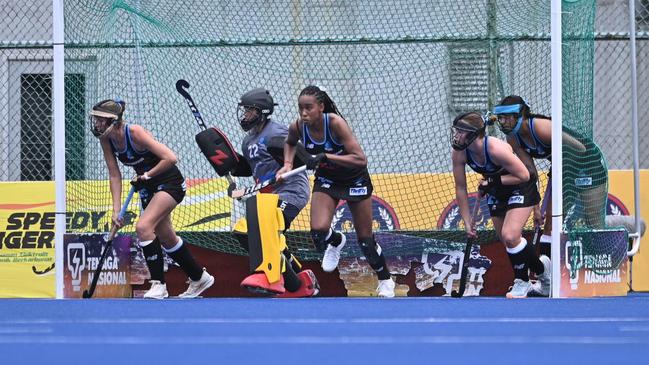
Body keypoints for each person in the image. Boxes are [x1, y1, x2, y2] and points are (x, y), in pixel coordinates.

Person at [276, 85, 396, 298]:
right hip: (327, 179)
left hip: (354, 178)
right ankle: (336, 241)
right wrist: (287, 164)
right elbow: (290, 142)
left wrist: (327, 157)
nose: (304, 113)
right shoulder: (297, 126)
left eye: (309, 108)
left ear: (321, 107)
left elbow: (360, 159)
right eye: (300, 108)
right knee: (318, 229)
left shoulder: (335, 123)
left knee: (366, 241)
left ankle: (385, 279)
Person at [91, 99, 214, 299]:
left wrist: (147, 175)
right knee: (166, 237)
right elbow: (114, 174)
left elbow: (171, 158)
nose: (96, 124)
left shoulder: (135, 132)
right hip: (148, 186)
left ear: (113, 121)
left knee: (143, 227)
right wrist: (116, 211)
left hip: (169, 182)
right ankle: (199, 277)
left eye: (100, 120)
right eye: (95, 119)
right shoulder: (106, 138)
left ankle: (158, 285)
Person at [229, 88, 319, 298]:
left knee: (264, 232)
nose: (245, 115)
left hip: (291, 191)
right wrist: (230, 167)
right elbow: (251, 168)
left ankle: (274, 277)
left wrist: (291, 163)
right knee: (243, 231)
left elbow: (300, 154)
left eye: (249, 111)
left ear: (261, 112)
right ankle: (298, 281)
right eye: (244, 110)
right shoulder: (248, 141)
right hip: (265, 198)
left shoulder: (277, 133)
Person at [493, 95, 608, 258]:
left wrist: (559, 168)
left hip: (589, 165)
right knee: (551, 223)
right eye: (500, 118)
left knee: (593, 221)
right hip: (563, 172)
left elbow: (580, 148)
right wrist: (536, 207)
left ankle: (602, 261)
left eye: (505, 118)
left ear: (518, 115)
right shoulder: (513, 138)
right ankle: (549, 276)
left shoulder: (541, 127)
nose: (502, 122)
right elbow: (529, 175)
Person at [451, 111, 551, 298]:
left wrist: (492, 182)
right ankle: (543, 270)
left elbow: (524, 175)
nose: (456, 135)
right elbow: (461, 188)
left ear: (474, 134)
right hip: (496, 189)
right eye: (456, 131)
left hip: (520, 186)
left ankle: (522, 282)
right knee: (508, 241)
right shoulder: (460, 152)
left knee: (510, 235)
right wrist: (466, 221)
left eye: (461, 131)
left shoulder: (495, 149)